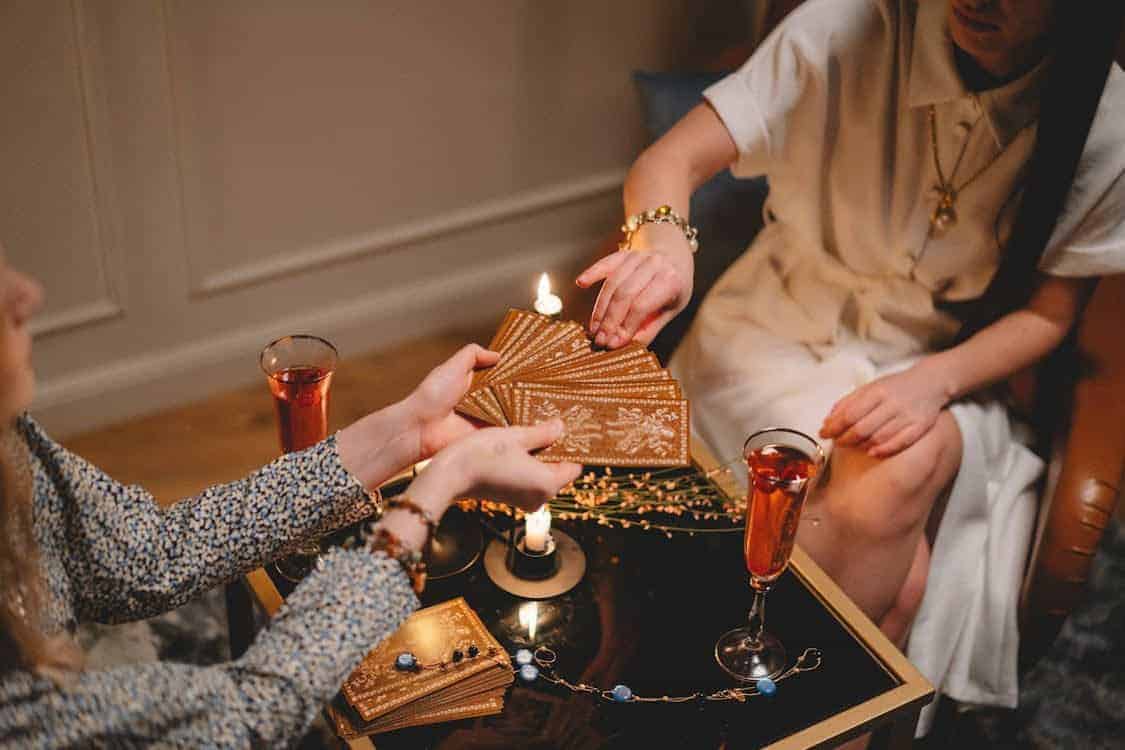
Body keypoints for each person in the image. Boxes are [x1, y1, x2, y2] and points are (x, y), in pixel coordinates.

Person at [576, 0, 1125, 730]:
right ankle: (796, 721)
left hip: (943, 356)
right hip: (775, 327)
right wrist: (667, 248)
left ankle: (752, 716)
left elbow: (1047, 315)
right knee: (900, 594)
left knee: (896, 465)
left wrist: (931, 382)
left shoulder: (1107, 122)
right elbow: (669, 161)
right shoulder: (845, 22)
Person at [0, 251, 581, 747]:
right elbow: (247, 714)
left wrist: (410, 432)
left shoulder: (12, 442)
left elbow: (145, 555)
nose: (27, 293)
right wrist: (428, 497)